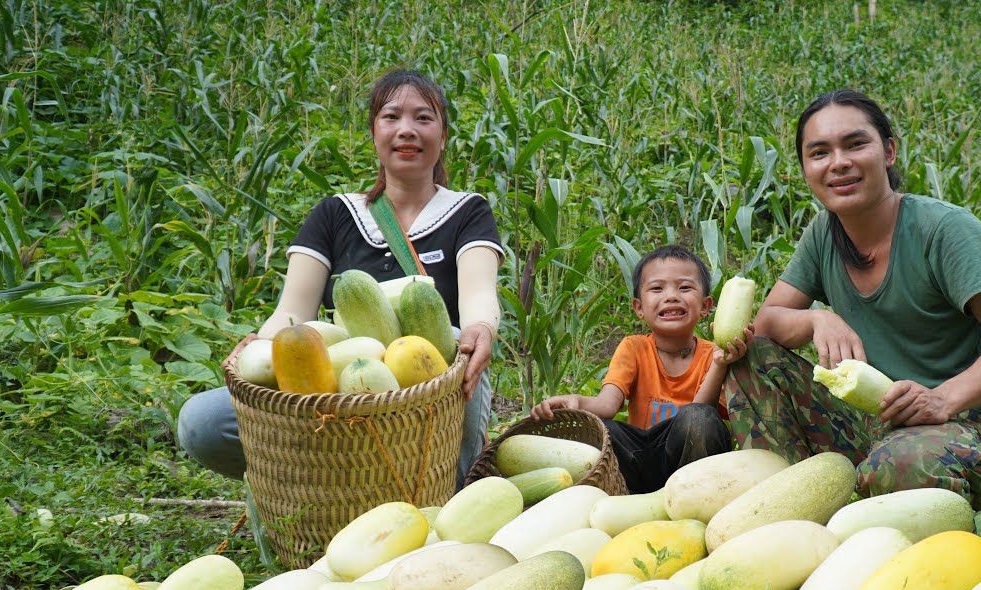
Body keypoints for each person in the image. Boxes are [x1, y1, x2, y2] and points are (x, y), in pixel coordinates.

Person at [177, 68, 503, 488]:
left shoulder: (467, 211)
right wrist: (261, 347)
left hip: (434, 393)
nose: (407, 130)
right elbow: (292, 312)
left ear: (442, 138)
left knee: (459, 335)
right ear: (374, 133)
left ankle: (445, 490)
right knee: (202, 422)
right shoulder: (336, 214)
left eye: (423, 118)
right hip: (337, 389)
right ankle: (331, 483)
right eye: (391, 117)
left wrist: (481, 329)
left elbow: (480, 292)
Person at [725, 89, 981, 510]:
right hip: (875, 420)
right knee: (752, 357)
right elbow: (767, 324)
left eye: (856, 144)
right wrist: (818, 319)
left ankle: (922, 557)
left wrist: (942, 399)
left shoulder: (943, 230)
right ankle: (798, 518)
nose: (839, 162)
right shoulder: (824, 234)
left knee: (901, 461)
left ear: (889, 151)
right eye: (819, 152)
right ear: (805, 169)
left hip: (966, 423)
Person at [531, 246, 754, 494]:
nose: (671, 296)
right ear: (639, 307)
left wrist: (719, 364)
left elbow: (701, 415)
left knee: (699, 418)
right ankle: (618, 492)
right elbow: (607, 406)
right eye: (657, 288)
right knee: (605, 429)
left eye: (684, 287)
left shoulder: (714, 356)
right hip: (639, 459)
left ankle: (694, 500)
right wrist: (576, 400)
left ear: (706, 306)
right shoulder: (634, 347)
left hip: (690, 467)